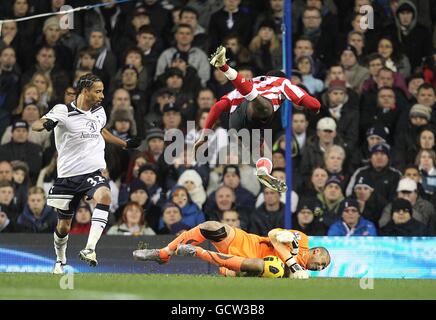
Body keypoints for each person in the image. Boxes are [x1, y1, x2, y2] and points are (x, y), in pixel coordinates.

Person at [31, 73, 140, 273]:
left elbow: (101, 131)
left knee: (105, 196)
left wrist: (125, 144)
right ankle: (60, 260)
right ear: (85, 91)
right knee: (63, 226)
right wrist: (46, 124)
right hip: (67, 177)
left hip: (91, 172)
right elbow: (36, 123)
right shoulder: (63, 111)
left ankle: (90, 249)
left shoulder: (99, 112)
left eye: (102, 91)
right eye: (98, 91)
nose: (102, 95)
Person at [194, 45, 320, 192]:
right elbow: (314, 104)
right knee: (264, 107)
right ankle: (224, 66)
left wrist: (204, 135)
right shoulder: (283, 82)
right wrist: (315, 109)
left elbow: (217, 107)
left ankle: (263, 172)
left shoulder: (248, 83)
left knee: (266, 153)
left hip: (235, 123)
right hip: (255, 110)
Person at [133, 221, 330, 279]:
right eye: (322, 263)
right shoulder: (302, 239)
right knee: (211, 226)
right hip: (249, 243)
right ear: (315, 252)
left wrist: (292, 266)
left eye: (323, 268)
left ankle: (199, 253)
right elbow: (272, 235)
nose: (320, 268)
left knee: (270, 268)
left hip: (250, 268)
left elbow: (283, 275)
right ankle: (164, 254)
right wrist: (293, 257)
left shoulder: (303, 276)